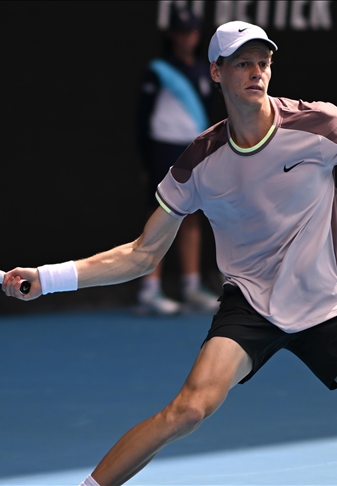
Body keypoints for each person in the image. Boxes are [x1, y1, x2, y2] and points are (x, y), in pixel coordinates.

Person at [2, 21, 337, 486]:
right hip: (250, 304)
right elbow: (141, 255)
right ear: (217, 73)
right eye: (243, 63)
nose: (256, 72)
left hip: (329, 305)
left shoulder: (316, 123)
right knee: (187, 411)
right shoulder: (199, 162)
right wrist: (47, 278)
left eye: (263, 62)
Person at [134, 5, 219, 315]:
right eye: (182, 33)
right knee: (161, 214)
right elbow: (143, 118)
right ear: (171, 36)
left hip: (192, 151)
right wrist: (146, 159)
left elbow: (209, 116)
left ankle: (191, 285)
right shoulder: (158, 70)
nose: (188, 38)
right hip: (162, 150)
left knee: (193, 216)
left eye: (192, 32)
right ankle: (149, 289)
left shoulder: (203, 71)